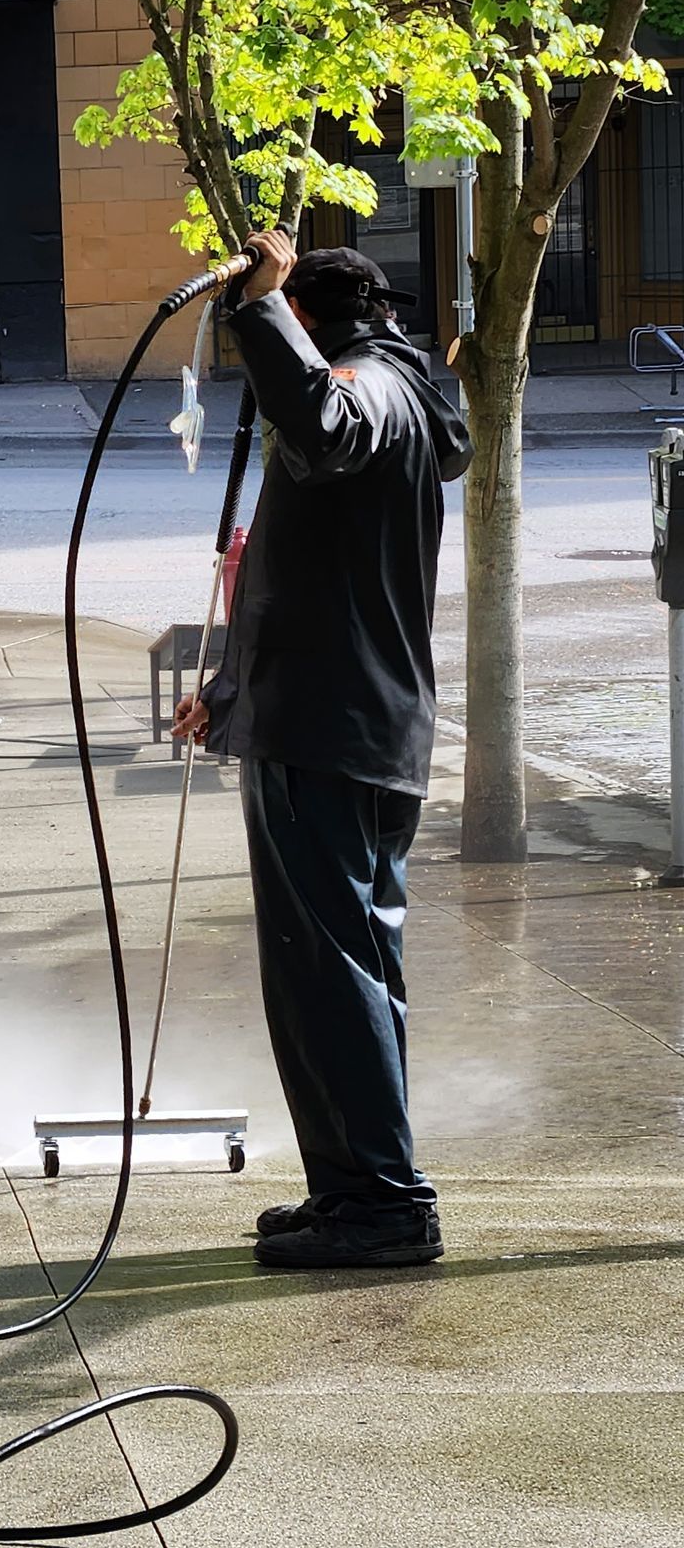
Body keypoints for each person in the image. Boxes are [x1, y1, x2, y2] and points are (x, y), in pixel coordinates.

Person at [171, 230, 473, 1270]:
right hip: (343, 720)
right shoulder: (399, 392)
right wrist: (230, 687)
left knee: (329, 972)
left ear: (320, 323)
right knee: (340, 972)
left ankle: (385, 1205)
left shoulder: (370, 389)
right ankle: (354, 1190)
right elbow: (317, 580)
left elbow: (324, 419)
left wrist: (261, 304)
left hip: (332, 731)